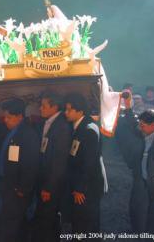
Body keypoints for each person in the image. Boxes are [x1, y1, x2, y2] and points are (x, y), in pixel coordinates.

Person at [0, 98, 40, 242]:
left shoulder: (28, 134)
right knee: (7, 222)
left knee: (15, 225)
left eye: (9, 117)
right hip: (7, 185)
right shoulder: (10, 132)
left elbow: (31, 164)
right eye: (5, 117)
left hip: (18, 189)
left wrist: (23, 188)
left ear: (20, 117)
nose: (5, 120)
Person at [121, 92, 154, 238]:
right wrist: (128, 107)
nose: (139, 128)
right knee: (145, 223)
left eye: (143, 125)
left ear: (153, 125)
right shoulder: (146, 133)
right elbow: (134, 122)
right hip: (146, 187)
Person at [32, 91, 73, 242]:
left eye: (43, 106)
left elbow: (59, 162)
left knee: (48, 221)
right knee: (44, 220)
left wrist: (49, 187)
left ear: (54, 107)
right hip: (43, 180)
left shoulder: (62, 126)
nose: (40, 109)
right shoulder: (47, 122)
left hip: (52, 185)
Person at [64, 93, 105, 241]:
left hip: (88, 189)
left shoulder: (88, 130)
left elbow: (89, 163)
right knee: (81, 226)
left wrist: (79, 188)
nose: (66, 112)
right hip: (82, 186)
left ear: (80, 111)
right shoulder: (79, 126)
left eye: (69, 110)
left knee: (85, 228)